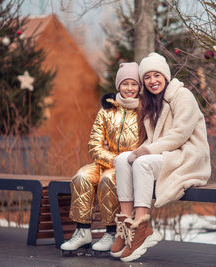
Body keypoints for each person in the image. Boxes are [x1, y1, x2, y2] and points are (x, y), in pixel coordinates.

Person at [110, 52, 211, 262]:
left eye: (157, 75)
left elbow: (179, 135)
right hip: (166, 154)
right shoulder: (152, 102)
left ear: (165, 76)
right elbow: (154, 139)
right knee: (122, 159)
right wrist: (138, 151)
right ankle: (126, 223)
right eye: (147, 77)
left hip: (187, 155)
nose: (152, 81)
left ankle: (142, 226)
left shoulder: (182, 96)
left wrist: (145, 152)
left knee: (143, 162)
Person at [60, 62, 145, 255]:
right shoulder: (107, 111)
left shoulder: (144, 111)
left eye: (134, 84)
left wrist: (124, 161)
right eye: (125, 84)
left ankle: (111, 232)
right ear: (118, 86)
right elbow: (94, 144)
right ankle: (82, 231)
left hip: (129, 164)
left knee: (109, 180)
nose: (129, 88)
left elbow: (147, 143)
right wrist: (113, 159)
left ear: (139, 87)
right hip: (105, 162)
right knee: (81, 176)